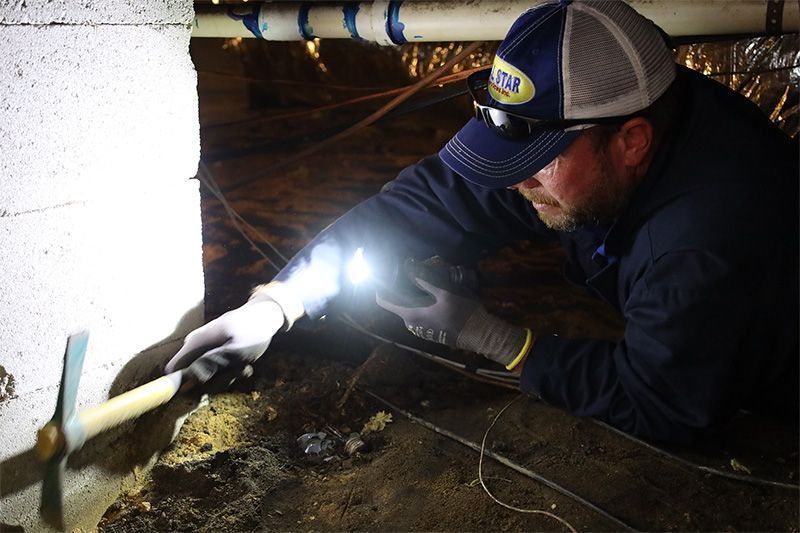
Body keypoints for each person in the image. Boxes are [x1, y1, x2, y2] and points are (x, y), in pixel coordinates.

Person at [166, 0, 798, 443]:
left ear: (631, 141)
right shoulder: (591, 145)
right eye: (508, 156)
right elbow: (417, 208)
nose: (517, 180)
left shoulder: (702, 243)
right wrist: (278, 303)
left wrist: (500, 341)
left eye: (538, 162)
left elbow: (665, 404)